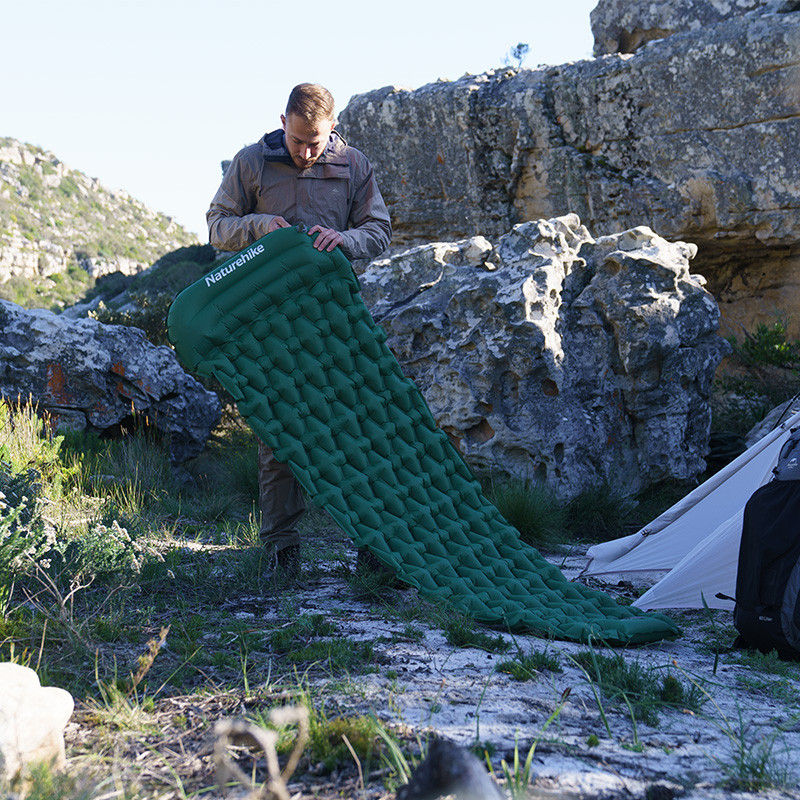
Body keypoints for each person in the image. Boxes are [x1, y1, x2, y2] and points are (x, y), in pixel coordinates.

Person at [207, 83, 392, 576]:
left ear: (332, 128)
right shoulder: (251, 162)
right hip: (268, 322)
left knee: (353, 427)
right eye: (297, 142)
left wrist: (346, 239)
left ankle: (372, 548)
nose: (307, 152)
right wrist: (260, 225)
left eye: (316, 141)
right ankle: (282, 552)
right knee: (278, 434)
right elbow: (217, 225)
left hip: (334, 318)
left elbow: (379, 230)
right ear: (282, 122)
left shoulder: (355, 165)